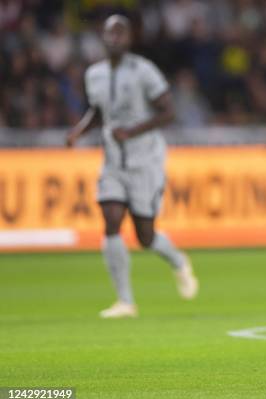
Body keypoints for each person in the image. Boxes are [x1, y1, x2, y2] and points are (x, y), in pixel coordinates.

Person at [66, 15, 199, 318]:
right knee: (111, 218)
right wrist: (79, 131)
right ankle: (126, 301)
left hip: (145, 161)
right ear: (103, 37)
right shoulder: (94, 74)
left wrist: (133, 131)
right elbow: (99, 112)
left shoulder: (144, 71)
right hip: (113, 161)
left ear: (129, 39)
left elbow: (168, 112)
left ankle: (178, 261)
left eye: (121, 33)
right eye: (110, 33)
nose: (115, 38)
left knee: (145, 236)